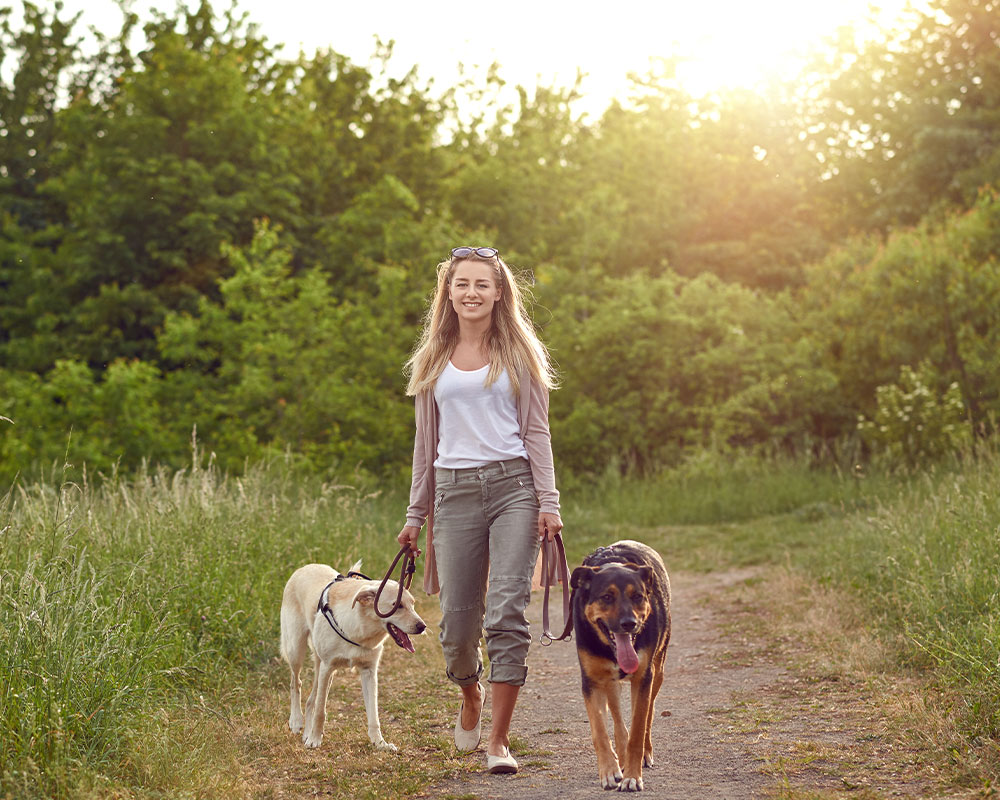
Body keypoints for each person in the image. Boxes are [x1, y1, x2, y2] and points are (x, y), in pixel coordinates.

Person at [397, 245, 563, 775]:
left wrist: (549, 501)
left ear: (498, 293)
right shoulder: (431, 360)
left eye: (482, 285)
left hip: (515, 488)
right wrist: (414, 515)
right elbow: (426, 444)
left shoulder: (519, 355)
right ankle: (470, 694)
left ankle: (498, 741)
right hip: (454, 493)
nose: (471, 293)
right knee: (457, 629)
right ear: (448, 292)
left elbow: (536, 432)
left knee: (506, 612)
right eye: (462, 284)